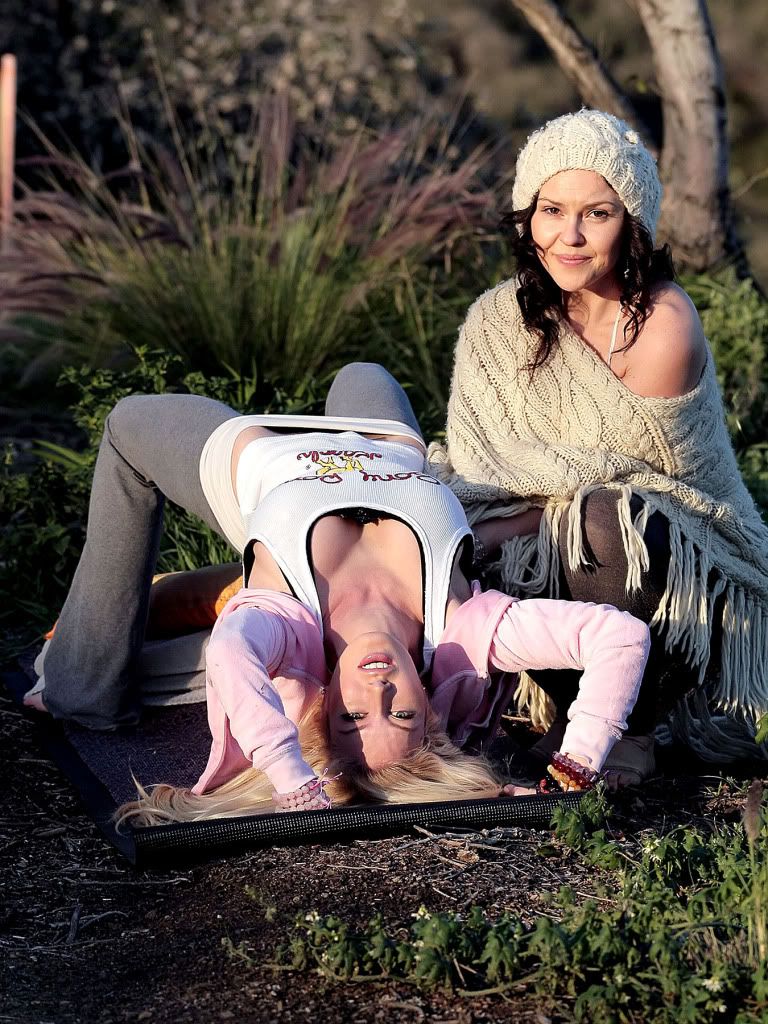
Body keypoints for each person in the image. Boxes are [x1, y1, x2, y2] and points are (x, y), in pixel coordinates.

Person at [26, 362, 650, 821]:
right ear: (431, 710)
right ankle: (195, 596)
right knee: (363, 372)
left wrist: (292, 778)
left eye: (352, 718)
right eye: (401, 714)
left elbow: (233, 654)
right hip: (379, 443)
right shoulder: (465, 631)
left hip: (261, 463)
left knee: (126, 421)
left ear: (324, 707)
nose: (379, 688)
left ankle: (87, 683)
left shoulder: (289, 623)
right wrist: (576, 766)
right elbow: (619, 637)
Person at [429, 108, 768, 782]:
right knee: (452, 535)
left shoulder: (662, 323)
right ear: (528, 216)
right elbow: (482, 472)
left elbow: (642, 493)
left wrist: (504, 525)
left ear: (632, 223)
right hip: (543, 551)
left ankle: (633, 727)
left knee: (608, 522)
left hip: (673, 575)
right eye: (552, 210)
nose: (571, 236)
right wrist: (476, 529)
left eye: (598, 214)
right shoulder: (495, 321)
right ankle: (562, 711)